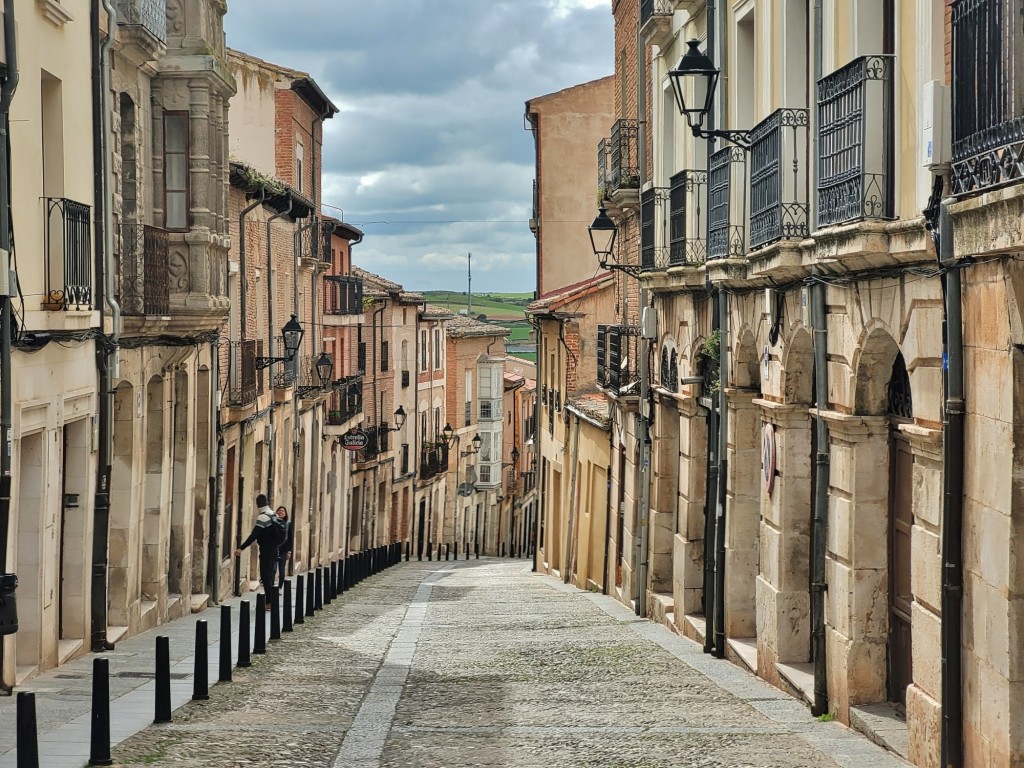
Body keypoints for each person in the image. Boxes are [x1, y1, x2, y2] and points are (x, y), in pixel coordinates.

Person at [235, 494, 286, 604]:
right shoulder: (273, 514)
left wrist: (241, 548)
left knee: (265, 575)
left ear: (257, 504)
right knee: (270, 574)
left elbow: (254, 535)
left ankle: (269, 601)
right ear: (267, 502)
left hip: (266, 550)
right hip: (274, 549)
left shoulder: (263, 517)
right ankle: (272, 599)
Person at [274, 505, 293, 588]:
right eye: (279, 510)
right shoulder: (273, 522)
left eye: (283, 511)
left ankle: (280, 587)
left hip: (284, 550)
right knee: (273, 570)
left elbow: (290, 539)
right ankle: (272, 586)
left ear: (285, 514)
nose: (281, 512)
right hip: (274, 550)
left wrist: (289, 551)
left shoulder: (288, 524)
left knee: (281, 571)